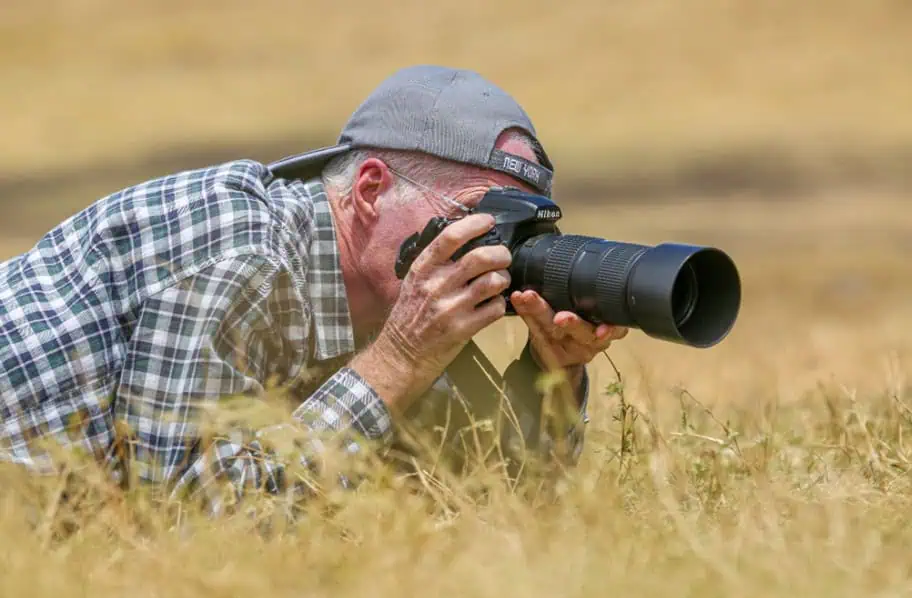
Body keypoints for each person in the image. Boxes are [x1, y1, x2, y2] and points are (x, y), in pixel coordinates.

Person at [0, 65, 628, 512]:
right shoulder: (239, 249)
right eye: (478, 215)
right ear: (371, 190)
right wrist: (397, 363)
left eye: (518, 229)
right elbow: (173, 520)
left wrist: (552, 376)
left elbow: (483, 503)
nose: (494, 248)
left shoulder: (395, 296)